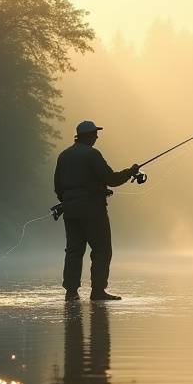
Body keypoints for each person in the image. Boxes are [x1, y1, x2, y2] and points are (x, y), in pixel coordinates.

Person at [54, 120, 139, 301]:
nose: (97, 136)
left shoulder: (64, 156)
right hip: (93, 211)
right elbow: (111, 179)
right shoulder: (92, 155)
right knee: (101, 250)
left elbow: (58, 187)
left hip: (70, 211)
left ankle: (71, 292)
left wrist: (70, 200)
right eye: (94, 133)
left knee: (74, 251)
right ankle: (98, 291)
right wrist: (130, 171)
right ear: (88, 136)